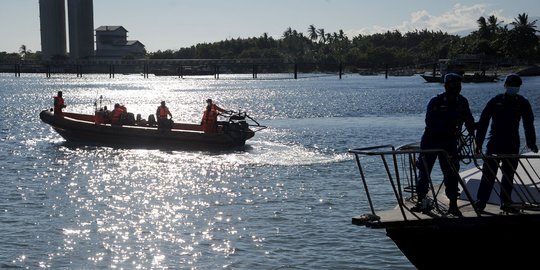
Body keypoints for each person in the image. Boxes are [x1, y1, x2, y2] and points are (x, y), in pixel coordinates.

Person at [413, 73, 475, 216]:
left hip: (450, 141)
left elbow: (468, 118)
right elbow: (430, 122)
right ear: (446, 85)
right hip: (431, 140)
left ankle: (453, 204)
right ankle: (421, 200)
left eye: (458, 84)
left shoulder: (462, 102)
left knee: (452, 172)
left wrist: (472, 128)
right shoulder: (436, 101)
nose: (456, 87)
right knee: (424, 170)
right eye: (454, 84)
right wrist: (450, 124)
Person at [474, 74, 538, 213]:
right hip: (494, 143)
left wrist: (531, 142)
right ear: (505, 86)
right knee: (488, 174)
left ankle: (506, 202)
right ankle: (481, 202)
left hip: (512, 143)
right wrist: (478, 144)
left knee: (509, 175)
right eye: (511, 85)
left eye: (516, 86)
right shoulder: (495, 101)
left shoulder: (523, 102)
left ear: (519, 87)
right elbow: (483, 123)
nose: (513, 88)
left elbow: (528, 124)